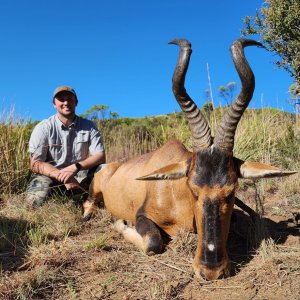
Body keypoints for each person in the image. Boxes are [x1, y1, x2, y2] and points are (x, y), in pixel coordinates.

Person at [26, 86, 106, 207]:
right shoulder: (43, 127)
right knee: (33, 203)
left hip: (79, 177)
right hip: (51, 177)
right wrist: (64, 177)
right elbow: (35, 163)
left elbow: (100, 156)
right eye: (61, 99)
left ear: (76, 102)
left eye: (70, 99)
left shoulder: (89, 126)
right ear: (54, 104)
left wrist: (76, 167)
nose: (66, 103)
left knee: (105, 169)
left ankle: (92, 200)